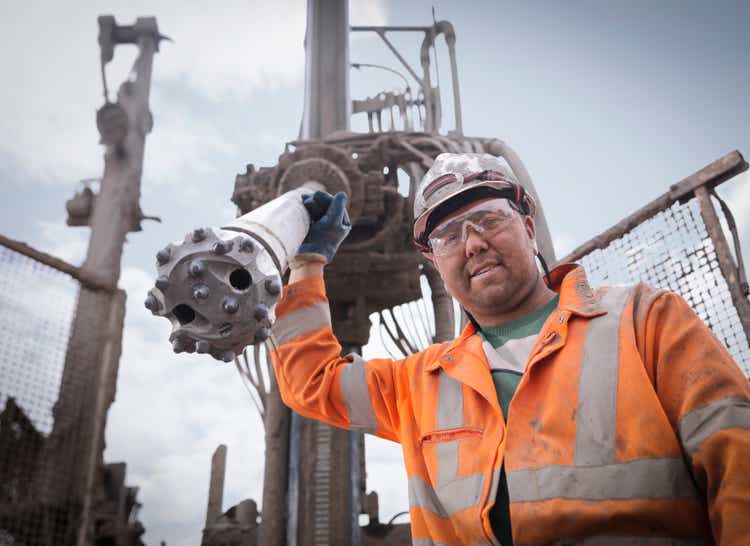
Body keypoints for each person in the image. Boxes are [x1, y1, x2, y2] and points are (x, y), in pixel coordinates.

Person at [270, 153, 750, 545]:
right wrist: (308, 263)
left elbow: (738, 463)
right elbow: (312, 381)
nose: (473, 244)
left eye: (487, 220)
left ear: (527, 224)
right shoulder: (417, 384)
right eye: (449, 236)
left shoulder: (646, 320)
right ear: (434, 262)